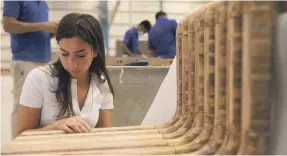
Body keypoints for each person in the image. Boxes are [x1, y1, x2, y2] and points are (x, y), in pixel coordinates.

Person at [16, 13, 114, 135]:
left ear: (95, 51)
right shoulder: (39, 78)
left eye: (80, 55)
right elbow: (21, 136)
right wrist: (55, 126)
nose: (71, 64)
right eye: (64, 54)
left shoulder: (101, 83)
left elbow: (104, 135)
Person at [2, 0, 58, 139]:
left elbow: (38, 30)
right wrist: (43, 26)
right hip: (25, 59)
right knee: (22, 104)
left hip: (44, 59)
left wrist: (51, 31)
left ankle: (33, 142)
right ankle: (17, 145)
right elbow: (8, 25)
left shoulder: (43, 3)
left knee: (41, 106)